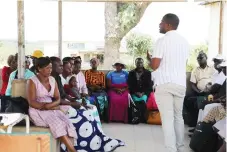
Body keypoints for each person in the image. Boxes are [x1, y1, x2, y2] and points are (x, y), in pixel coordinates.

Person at [49, 57, 125, 151]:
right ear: (52, 67)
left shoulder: (57, 78)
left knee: (89, 111)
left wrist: (74, 100)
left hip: (66, 102)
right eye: (60, 66)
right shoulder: (53, 79)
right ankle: (84, 143)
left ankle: (96, 138)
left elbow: (64, 94)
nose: (71, 68)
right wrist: (73, 103)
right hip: (57, 107)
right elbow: (58, 99)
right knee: (85, 114)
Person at [147, 13, 190, 152]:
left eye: (161, 22)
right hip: (180, 84)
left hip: (165, 83)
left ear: (168, 25)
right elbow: (183, 63)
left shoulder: (162, 41)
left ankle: (170, 149)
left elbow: (154, 65)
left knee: (167, 119)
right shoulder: (184, 42)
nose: (159, 24)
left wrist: (150, 58)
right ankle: (180, 148)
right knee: (178, 117)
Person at [26, 57, 77, 152]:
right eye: (47, 68)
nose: (50, 70)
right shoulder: (32, 81)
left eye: (50, 67)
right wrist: (45, 106)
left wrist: (50, 106)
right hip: (38, 111)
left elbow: (58, 98)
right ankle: (73, 151)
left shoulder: (52, 80)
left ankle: (70, 149)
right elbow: (31, 102)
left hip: (51, 107)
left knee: (67, 122)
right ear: (39, 68)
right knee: (58, 123)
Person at [128, 58, 153, 123]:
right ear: (135, 64)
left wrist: (143, 93)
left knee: (143, 100)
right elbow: (130, 85)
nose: (139, 64)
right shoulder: (131, 73)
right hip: (134, 93)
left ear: (143, 63)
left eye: (141, 63)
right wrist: (135, 92)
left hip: (144, 93)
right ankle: (136, 118)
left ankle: (143, 118)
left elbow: (149, 86)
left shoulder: (148, 73)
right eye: (138, 63)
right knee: (135, 102)